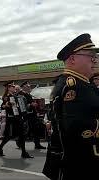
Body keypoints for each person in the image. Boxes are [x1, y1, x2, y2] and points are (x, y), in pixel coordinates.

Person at [51, 33, 99, 179]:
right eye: (91, 56)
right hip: (81, 162)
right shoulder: (71, 86)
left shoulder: (83, 83)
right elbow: (75, 128)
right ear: (72, 59)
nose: (95, 60)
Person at [0, 81, 33, 158]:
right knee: (9, 136)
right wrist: (8, 104)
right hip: (11, 119)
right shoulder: (7, 96)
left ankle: (23, 152)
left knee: (19, 135)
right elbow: (3, 106)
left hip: (16, 118)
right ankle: (0, 148)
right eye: (12, 86)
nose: (14, 87)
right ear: (9, 88)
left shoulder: (15, 96)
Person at [19, 81, 46, 149]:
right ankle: (19, 142)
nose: (29, 87)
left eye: (29, 86)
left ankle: (37, 144)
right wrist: (31, 105)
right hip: (27, 115)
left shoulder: (29, 94)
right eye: (27, 86)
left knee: (35, 129)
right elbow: (21, 105)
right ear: (23, 87)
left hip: (33, 114)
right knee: (27, 130)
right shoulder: (21, 94)